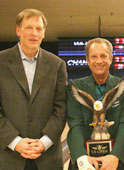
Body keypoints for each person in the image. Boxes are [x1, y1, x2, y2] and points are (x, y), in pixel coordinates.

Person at [0, 9, 67, 170]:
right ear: (18, 31)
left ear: (44, 33)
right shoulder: (1, 62)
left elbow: (61, 107)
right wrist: (15, 142)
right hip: (9, 157)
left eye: (39, 28)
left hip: (47, 157)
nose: (34, 33)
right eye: (29, 27)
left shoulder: (57, 65)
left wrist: (44, 142)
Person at [67, 37, 124, 170]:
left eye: (103, 56)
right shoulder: (75, 87)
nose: (99, 61)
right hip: (87, 161)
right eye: (94, 57)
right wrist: (82, 158)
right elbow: (75, 123)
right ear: (87, 60)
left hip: (117, 162)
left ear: (110, 58)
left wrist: (115, 156)